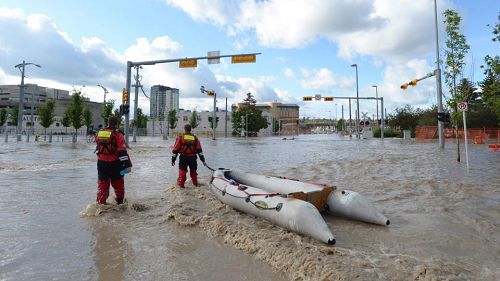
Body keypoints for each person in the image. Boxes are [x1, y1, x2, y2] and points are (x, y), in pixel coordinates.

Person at [94, 116, 132, 205]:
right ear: (117, 124)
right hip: (115, 164)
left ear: (108, 123)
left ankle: (100, 205)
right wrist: (128, 165)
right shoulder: (118, 134)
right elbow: (121, 152)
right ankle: (120, 203)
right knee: (118, 185)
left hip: (101, 164)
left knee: (102, 185)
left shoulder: (100, 133)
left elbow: (97, 145)